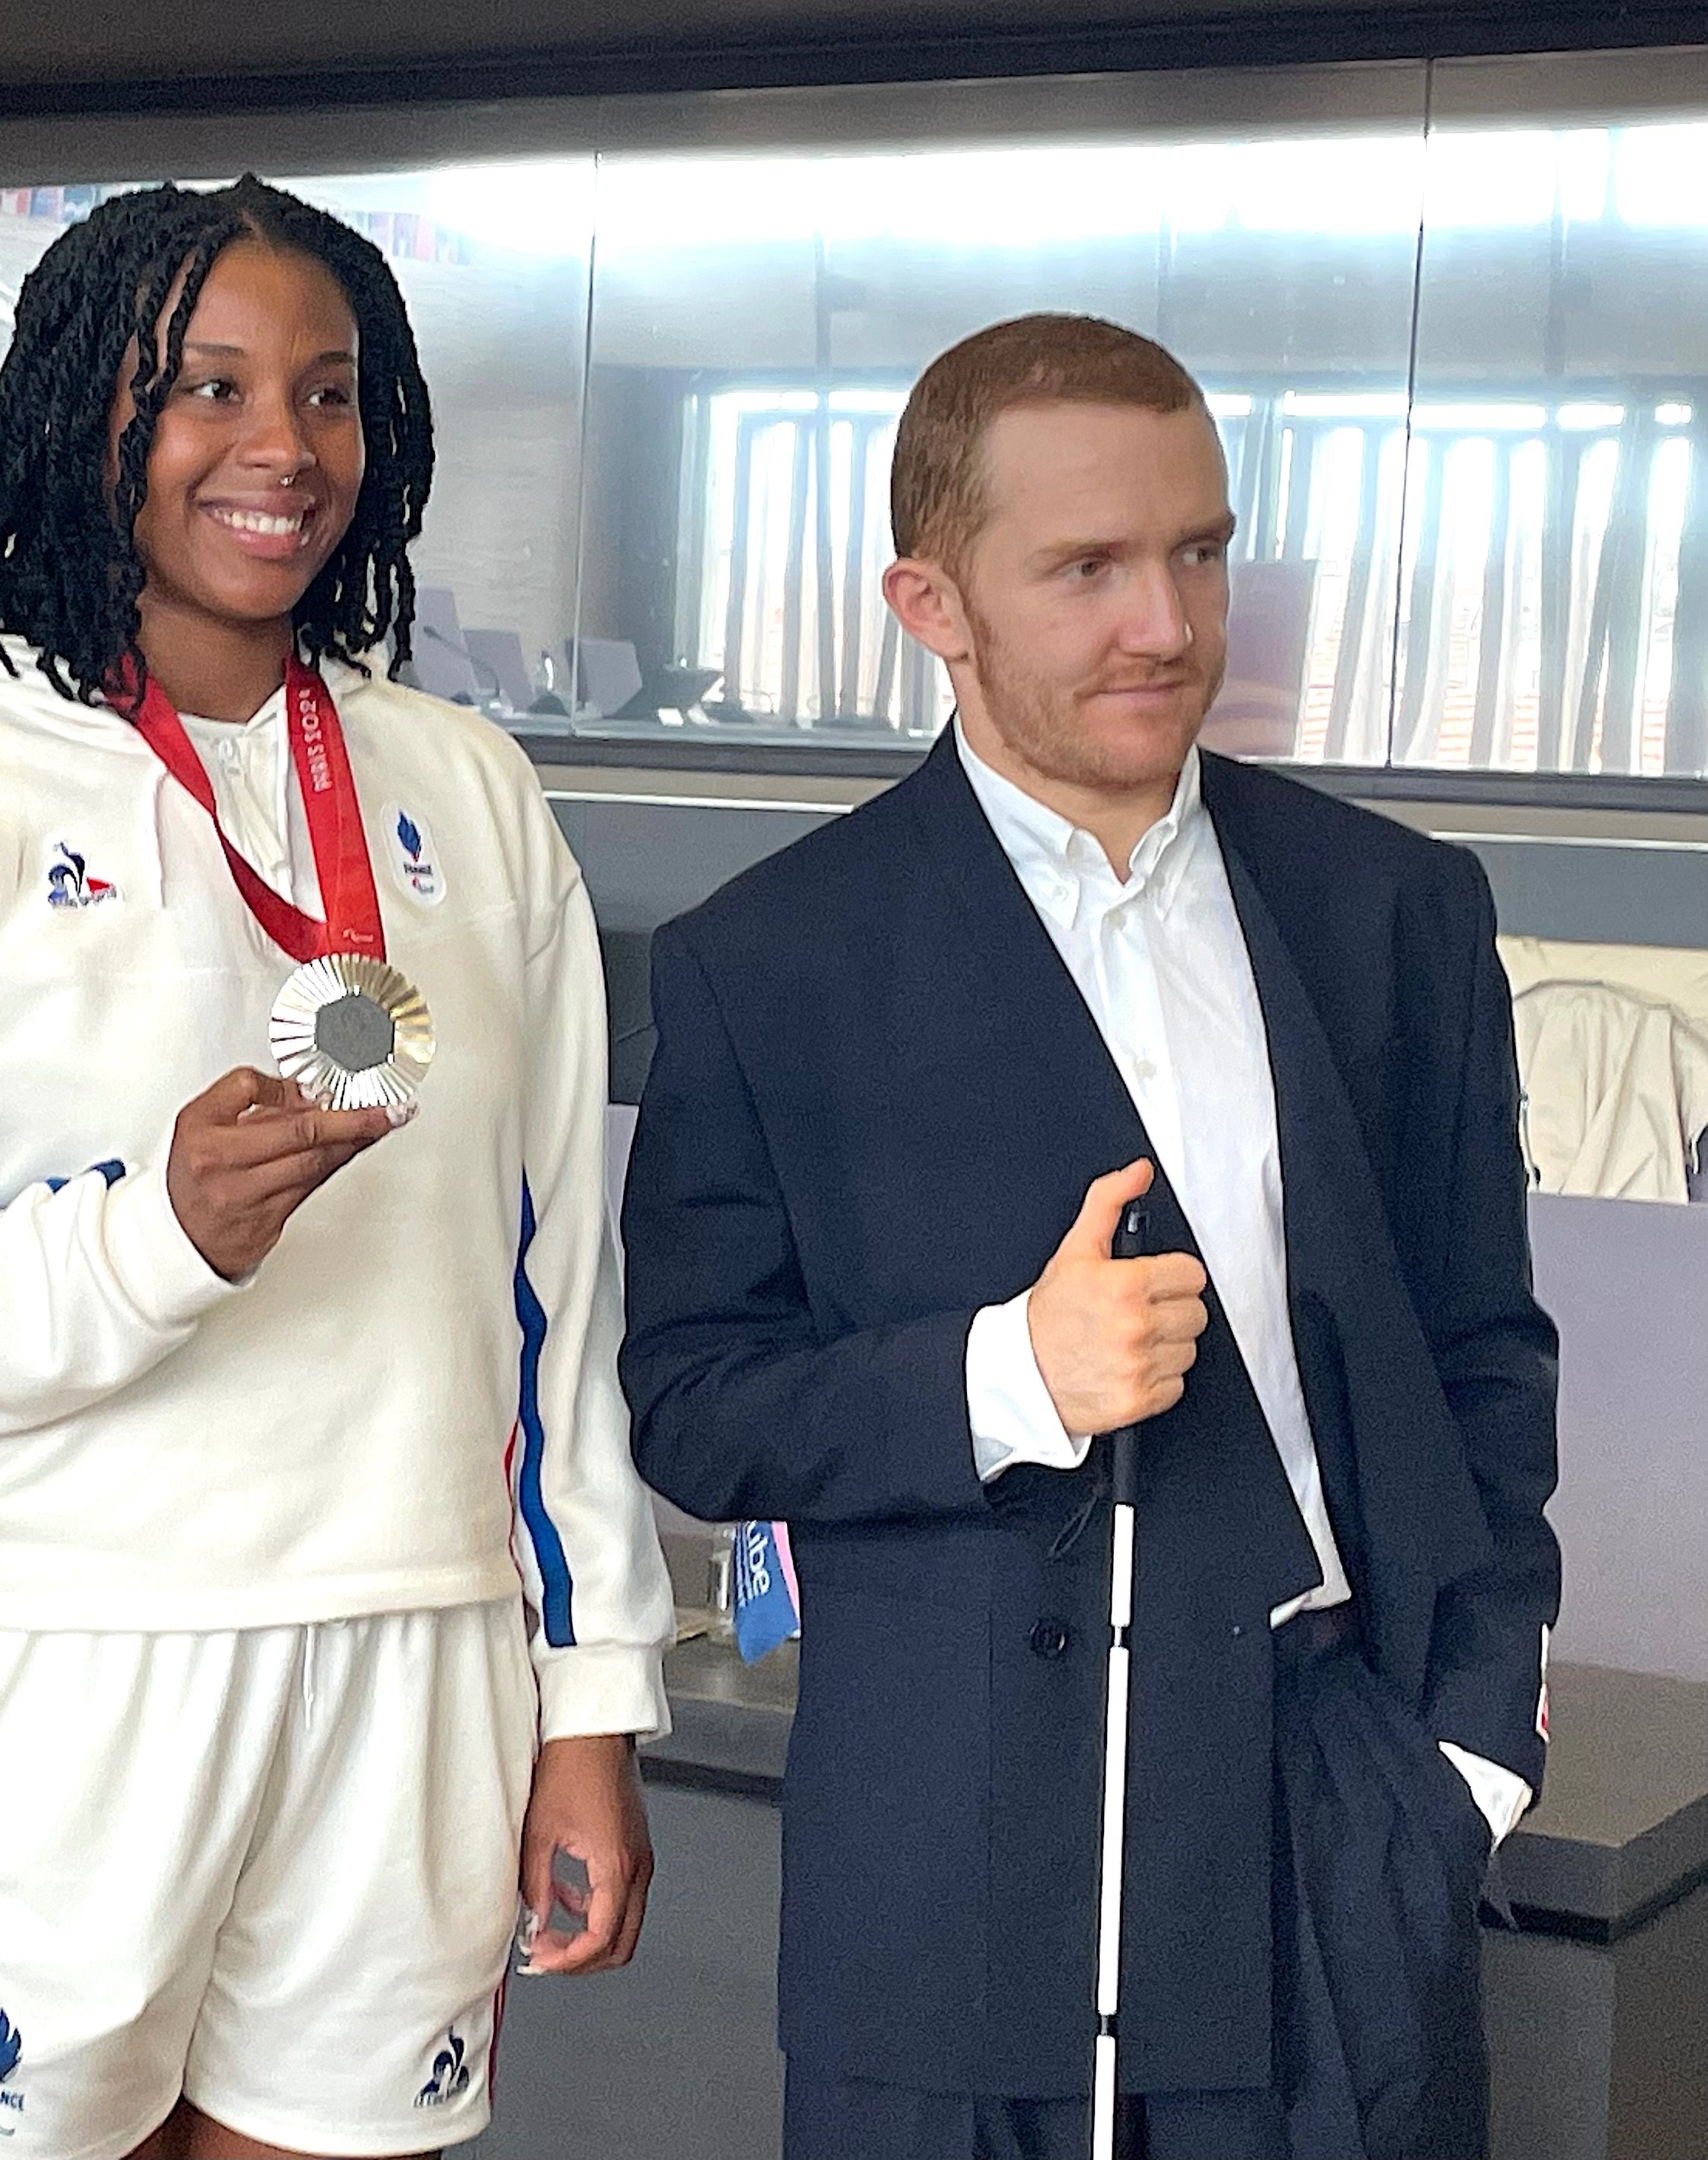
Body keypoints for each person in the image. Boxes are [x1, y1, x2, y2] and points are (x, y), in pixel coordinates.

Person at [0, 176, 674, 2160]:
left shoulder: (466, 790)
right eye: (208, 388)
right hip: (36, 1646)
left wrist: (587, 1690)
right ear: (88, 416)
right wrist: (153, 1235)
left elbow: (556, 1287)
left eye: (328, 395)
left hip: (412, 1643)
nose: (283, 448)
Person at [621, 313, 1557, 2159]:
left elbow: (1480, 1352)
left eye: (1198, 551)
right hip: (938, 1862)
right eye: (1088, 569)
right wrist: (1002, 1374)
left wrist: (1465, 1753)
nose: (1168, 621)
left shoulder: (1393, 917)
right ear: (930, 599)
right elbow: (698, 1401)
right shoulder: (769, 962)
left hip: (1325, 1821)